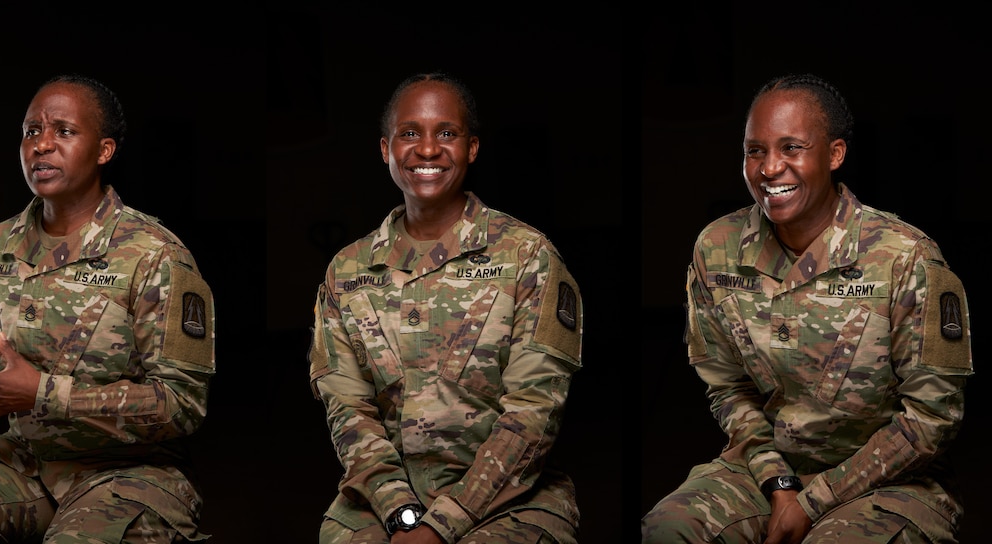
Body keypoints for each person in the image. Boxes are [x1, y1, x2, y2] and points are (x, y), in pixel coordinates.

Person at [641, 72, 973, 543]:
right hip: (768, 471)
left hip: (892, 482)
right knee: (668, 529)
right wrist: (780, 485)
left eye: (791, 148)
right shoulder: (716, 249)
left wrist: (815, 501)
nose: (769, 168)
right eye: (755, 150)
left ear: (835, 154)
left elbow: (931, 419)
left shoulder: (906, 258)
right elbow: (727, 387)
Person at [0, 74, 216, 542]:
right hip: (25, 458)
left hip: (129, 472)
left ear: (104, 150)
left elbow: (182, 405)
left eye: (64, 132)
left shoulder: (154, 255)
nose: (42, 145)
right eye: (32, 131)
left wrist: (43, 394)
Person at [307, 72, 584, 544]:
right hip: (383, 502)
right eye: (410, 133)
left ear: (471, 149)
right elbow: (348, 410)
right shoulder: (347, 271)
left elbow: (534, 413)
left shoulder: (526, 256)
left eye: (447, 134)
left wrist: (441, 526)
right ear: (385, 149)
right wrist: (402, 514)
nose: (428, 149)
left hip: (509, 502)